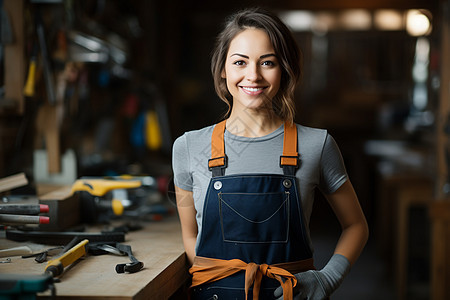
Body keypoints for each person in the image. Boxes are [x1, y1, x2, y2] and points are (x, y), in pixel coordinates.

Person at [172, 7, 369, 300]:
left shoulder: (317, 145)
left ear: (284, 69)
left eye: (267, 62)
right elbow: (190, 236)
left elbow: (356, 226)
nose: (253, 75)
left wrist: (328, 279)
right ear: (223, 69)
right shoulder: (188, 148)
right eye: (240, 62)